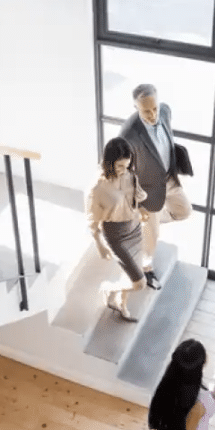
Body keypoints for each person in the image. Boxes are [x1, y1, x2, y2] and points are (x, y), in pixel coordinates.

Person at [117, 84, 193, 290]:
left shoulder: (165, 111)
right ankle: (146, 269)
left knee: (184, 211)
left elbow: (165, 120)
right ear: (135, 107)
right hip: (148, 190)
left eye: (154, 109)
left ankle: (144, 226)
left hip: (169, 178)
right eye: (145, 111)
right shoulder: (128, 135)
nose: (152, 115)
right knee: (152, 238)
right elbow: (122, 171)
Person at [85, 137, 150, 321]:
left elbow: (135, 199)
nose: (124, 171)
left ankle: (122, 304)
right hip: (116, 235)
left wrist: (141, 210)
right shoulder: (98, 188)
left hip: (135, 229)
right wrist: (99, 243)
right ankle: (108, 288)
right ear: (109, 162)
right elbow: (92, 219)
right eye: (119, 166)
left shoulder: (130, 176)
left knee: (130, 272)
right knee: (139, 283)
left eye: (127, 165)